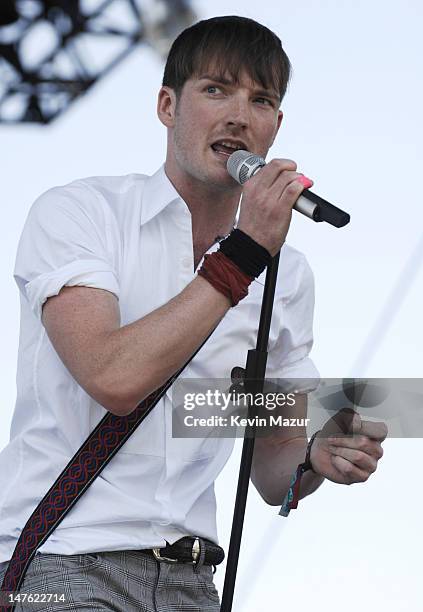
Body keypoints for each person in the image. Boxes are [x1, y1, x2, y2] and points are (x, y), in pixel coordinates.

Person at [0, 15, 387, 612]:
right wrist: (243, 255)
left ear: (275, 127)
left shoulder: (287, 277)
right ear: (166, 106)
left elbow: (271, 466)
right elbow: (113, 378)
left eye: (261, 99)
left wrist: (317, 455)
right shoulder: (79, 213)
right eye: (215, 90)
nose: (239, 114)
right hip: (63, 561)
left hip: (191, 579)